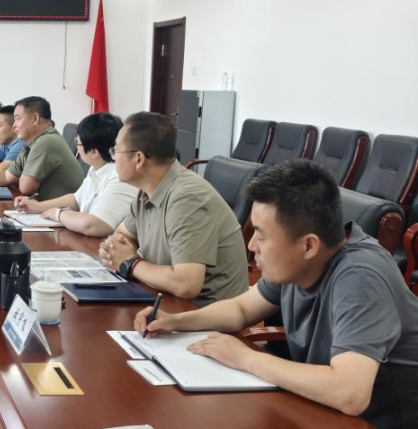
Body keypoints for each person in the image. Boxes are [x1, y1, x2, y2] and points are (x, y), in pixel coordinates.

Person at [135, 160, 418, 429]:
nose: (251, 245)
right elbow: (241, 310)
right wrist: (174, 321)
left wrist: (245, 358)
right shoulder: (299, 263)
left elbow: (350, 393)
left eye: (261, 235)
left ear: (308, 246)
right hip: (319, 411)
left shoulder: (360, 277)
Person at [100, 111, 247, 307]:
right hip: (166, 300)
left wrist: (130, 263)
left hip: (204, 315)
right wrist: (114, 253)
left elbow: (186, 284)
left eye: (116, 151)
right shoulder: (147, 190)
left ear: (138, 159)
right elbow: (121, 238)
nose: (113, 157)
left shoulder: (186, 198)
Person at [14, 113, 136, 237]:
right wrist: (38, 206)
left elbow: (94, 225)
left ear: (94, 152)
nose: (76, 147)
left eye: (78, 143)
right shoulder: (97, 167)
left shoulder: (120, 177)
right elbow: (76, 200)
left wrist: (58, 214)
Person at [0, 96, 83, 200]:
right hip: (45, 209)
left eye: (17, 119)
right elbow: (5, 176)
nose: (14, 125)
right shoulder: (32, 143)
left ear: (35, 118)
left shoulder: (45, 142)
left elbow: (25, 187)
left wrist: (17, 179)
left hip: (62, 215)